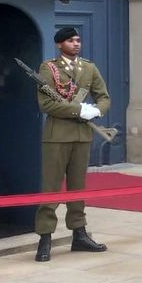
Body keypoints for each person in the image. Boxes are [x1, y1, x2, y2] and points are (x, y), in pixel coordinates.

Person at [34, 27, 111, 262]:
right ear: (59, 44)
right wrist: (79, 110)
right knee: (51, 188)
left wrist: (96, 111)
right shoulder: (49, 68)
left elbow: (104, 97)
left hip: (81, 135)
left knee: (78, 188)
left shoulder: (88, 68)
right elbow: (46, 104)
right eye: (70, 40)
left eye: (78, 40)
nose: (76, 44)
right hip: (57, 135)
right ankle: (45, 237)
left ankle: (79, 234)